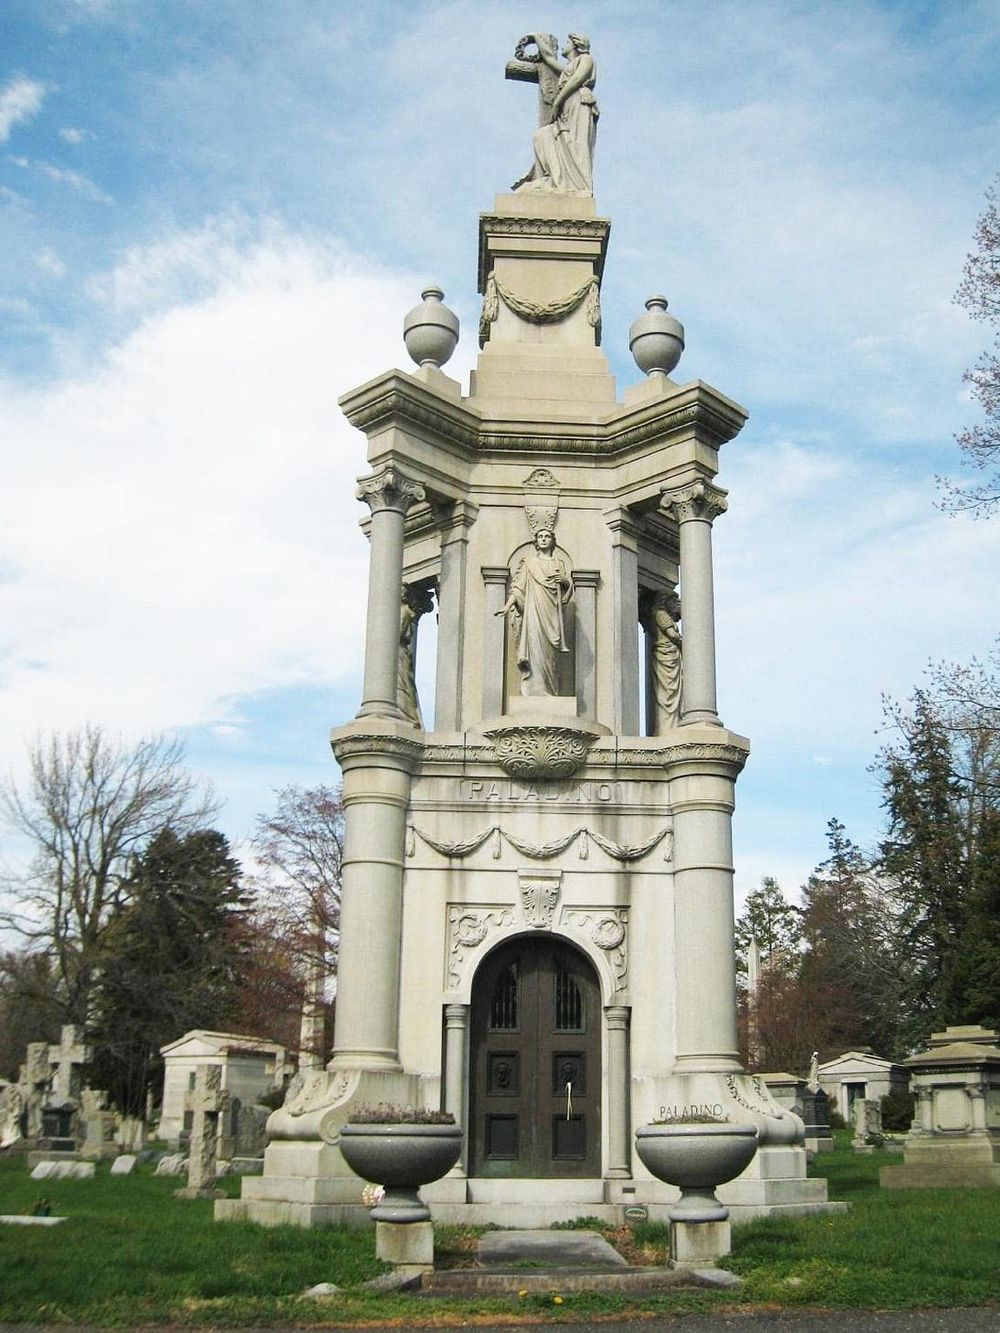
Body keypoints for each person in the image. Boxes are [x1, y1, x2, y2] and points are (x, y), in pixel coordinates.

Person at [513, 33, 598, 195]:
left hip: (578, 103)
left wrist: (558, 101)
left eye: (567, 42)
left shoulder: (586, 59)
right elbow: (549, 59)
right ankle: (554, 178)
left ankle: (577, 186)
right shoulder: (567, 68)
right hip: (566, 107)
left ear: (576, 44)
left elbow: (577, 79)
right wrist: (535, 38)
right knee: (542, 136)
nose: (563, 45)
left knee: (575, 144)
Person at [496, 528, 574, 696]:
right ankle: (535, 690)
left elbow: (565, 595)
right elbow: (518, 589)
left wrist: (565, 582)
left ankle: (550, 690)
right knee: (535, 651)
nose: (543, 539)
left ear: (553, 541)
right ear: (536, 542)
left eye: (547, 537)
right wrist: (507, 606)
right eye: (540, 537)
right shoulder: (529, 563)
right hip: (534, 615)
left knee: (551, 656)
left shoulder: (558, 564)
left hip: (552, 615)